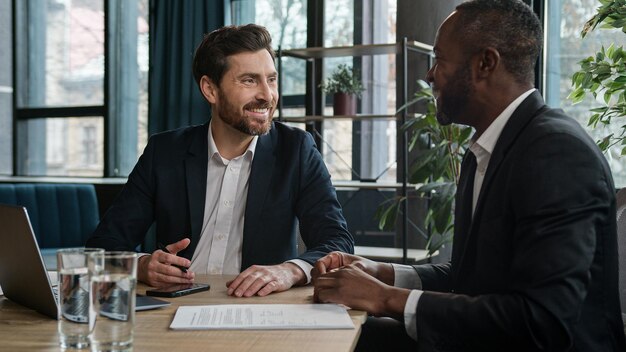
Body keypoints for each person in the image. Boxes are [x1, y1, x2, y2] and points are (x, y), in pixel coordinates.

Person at [312, 1, 626, 351]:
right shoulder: (486, 150)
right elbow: (470, 278)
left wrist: (387, 299)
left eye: (440, 59)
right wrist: (382, 273)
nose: (430, 75)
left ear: (485, 64)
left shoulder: (556, 153)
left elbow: (542, 321)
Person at [87, 24, 353, 297]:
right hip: (173, 309)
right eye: (249, 80)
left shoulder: (296, 150)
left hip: (257, 309)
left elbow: (337, 243)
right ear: (210, 90)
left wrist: (290, 270)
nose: (267, 95)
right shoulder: (164, 152)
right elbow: (103, 246)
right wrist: (143, 266)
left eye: (271, 79)